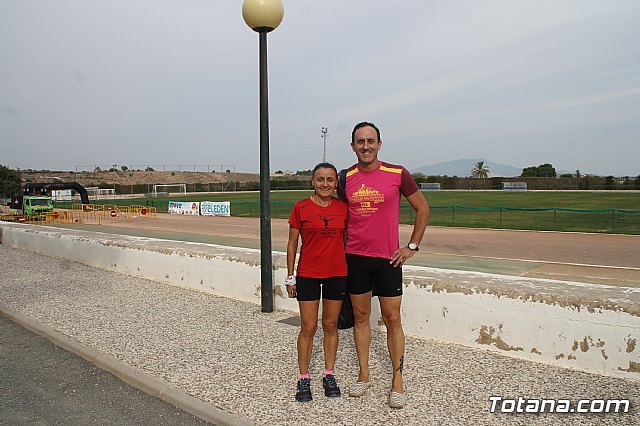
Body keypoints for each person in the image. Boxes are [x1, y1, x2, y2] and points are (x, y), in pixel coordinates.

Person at [339, 122, 429, 409]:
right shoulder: (345, 178)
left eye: (371, 140)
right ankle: (364, 374)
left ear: (379, 144)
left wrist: (411, 246)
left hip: (388, 260)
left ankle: (397, 379)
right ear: (352, 146)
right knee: (361, 318)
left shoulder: (397, 173)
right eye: (360, 141)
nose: (366, 146)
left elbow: (423, 209)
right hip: (355, 259)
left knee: (392, 320)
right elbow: (340, 218)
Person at [286, 162, 349, 402]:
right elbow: (292, 244)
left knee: (331, 325)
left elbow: (345, 241)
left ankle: (328, 374)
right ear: (312, 182)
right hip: (308, 275)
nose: (325, 184)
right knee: (308, 326)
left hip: (336, 274)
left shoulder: (343, 208)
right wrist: (290, 277)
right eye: (320, 179)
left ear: (335, 183)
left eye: (330, 180)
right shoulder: (300, 208)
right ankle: (303, 377)